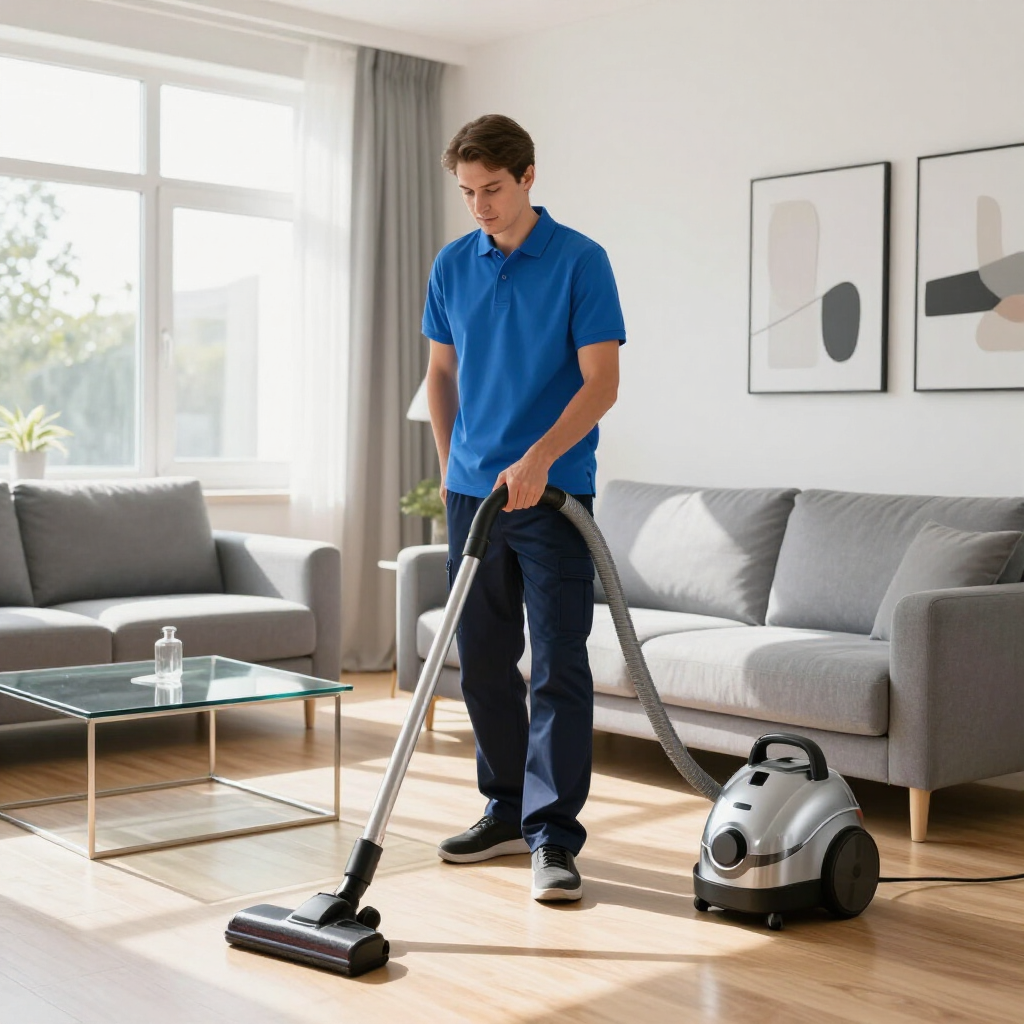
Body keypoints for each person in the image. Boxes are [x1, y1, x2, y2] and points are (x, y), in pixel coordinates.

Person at [421, 114, 625, 902]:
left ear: (529, 177)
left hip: (555, 495)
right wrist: (448, 467)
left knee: (560, 668)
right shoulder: (452, 265)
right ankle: (504, 811)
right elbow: (440, 374)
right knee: (481, 663)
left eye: (493, 190)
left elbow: (601, 383)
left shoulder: (580, 261)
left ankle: (553, 836)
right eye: (468, 193)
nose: (480, 206)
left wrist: (540, 458)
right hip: (473, 495)